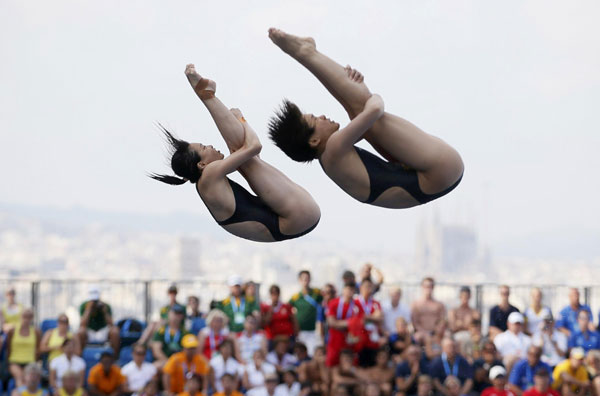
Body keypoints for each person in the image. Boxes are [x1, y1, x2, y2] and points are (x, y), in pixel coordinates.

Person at [267, 28, 464, 209]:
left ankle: (307, 52)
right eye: (315, 119)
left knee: (362, 116)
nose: (322, 116)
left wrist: (357, 89)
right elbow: (375, 109)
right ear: (314, 140)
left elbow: (362, 119)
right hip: (439, 170)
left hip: (434, 177)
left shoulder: (331, 159)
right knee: (367, 112)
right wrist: (371, 94)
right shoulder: (334, 147)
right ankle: (306, 53)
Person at [151, 65, 321, 243]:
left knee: (247, 160)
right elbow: (254, 146)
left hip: (293, 219)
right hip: (294, 218)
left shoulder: (208, 183)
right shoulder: (209, 174)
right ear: (201, 164)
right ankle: (207, 96)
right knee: (247, 159)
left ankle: (208, 96)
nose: (209, 145)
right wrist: (241, 119)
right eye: (203, 147)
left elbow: (251, 154)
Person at [325, 284, 361, 367]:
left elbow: (359, 323)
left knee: (350, 363)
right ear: (343, 290)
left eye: (352, 290)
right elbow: (332, 323)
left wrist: (341, 323)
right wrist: (350, 323)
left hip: (349, 339)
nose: (350, 292)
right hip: (335, 339)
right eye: (348, 289)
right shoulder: (334, 303)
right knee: (332, 362)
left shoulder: (357, 305)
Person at [289, 270, 323, 356]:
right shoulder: (295, 297)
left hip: (314, 331)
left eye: (307, 278)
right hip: (301, 332)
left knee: (313, 354)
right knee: (300, 354)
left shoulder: (317, 293)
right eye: (303, 279)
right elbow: (288, 309)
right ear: (299, 280)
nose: (305, 281)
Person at [78, 286, 120, 353]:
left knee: (115, 331)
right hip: (90, 331)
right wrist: (88, 309)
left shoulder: (106, 306)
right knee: (80, 331)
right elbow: (82, 324)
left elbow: (111, 325)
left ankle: (115, 357)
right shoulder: (84, 306)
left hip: (102, 331)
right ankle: (80, 355)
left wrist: (105, 311)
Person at [6, 308, 41, 387]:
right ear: (20, 316)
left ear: (32, 318)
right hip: (14, 361)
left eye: (29, 317)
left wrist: (34, 361)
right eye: (24, 316)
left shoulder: (36, 332)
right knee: (20, 376)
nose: (26, 319)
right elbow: (9, 348)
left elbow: (38, 349)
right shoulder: (12, 331)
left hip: (30, 362)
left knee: (29, 378)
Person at [410, 277, 446, 345]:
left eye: (430, 286)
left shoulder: (439, 305)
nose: (428, 288)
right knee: (417, 337)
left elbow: (442, 321)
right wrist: (424, 333)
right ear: (422, 287)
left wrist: (436, 332)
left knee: (448, 338)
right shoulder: (416, 304)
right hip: (421, 332)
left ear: (433, 287)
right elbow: (415, 322)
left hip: (437, 332)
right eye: (426, 286)